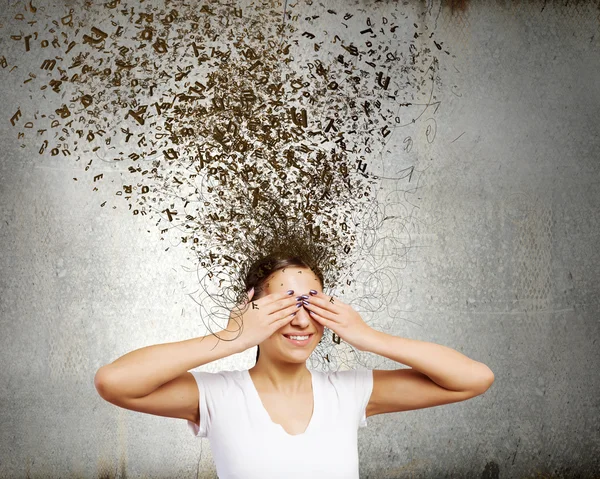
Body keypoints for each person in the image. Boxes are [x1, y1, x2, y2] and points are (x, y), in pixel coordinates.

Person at [94, 253, 494, 478]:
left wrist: (367, 336)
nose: (302, 320)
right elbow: (114, 382)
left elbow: (475, 379)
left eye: (313, 304)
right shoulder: (219, 396)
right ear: (254, 310)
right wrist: (230, 337)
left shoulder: (348, 393)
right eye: (285, 305)